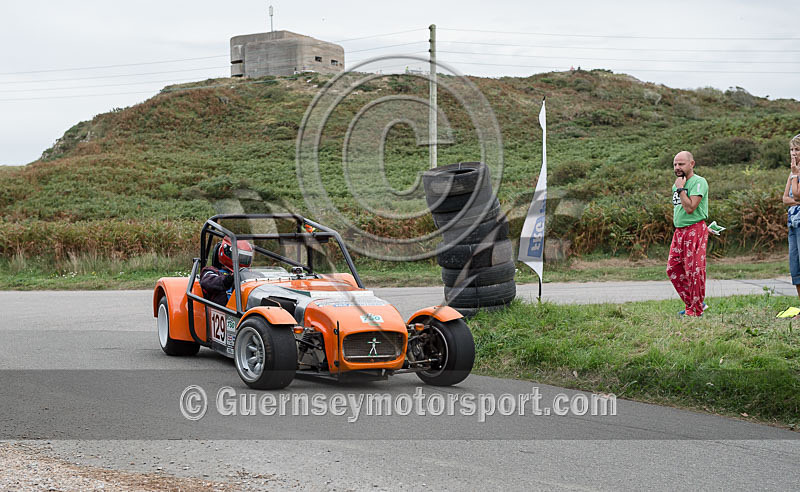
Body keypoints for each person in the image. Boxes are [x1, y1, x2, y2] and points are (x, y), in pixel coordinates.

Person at [666, 151, 709, 316]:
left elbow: (690, 208)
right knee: (673, 268)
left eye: (681, 164)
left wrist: (681, 190)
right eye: (675, 164)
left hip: (694, 229)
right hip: (679, 231)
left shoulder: (699, 182)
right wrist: (679, 188)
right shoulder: (677, 185)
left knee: (694, 270)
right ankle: (694, 303)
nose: (677, 167)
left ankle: (695, 309)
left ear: (692, 164)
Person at [200, 237, 254, 306]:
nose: (243, 260)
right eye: (241, 257)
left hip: (244, 311)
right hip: (223, 312)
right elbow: (208, 282)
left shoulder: (247, 275)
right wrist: (228, 280)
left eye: (246, 258)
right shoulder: (210, 272)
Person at [782, 133, 800, 300]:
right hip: (793, 222)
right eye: (791, 150)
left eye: (797, 149)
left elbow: (796, 193)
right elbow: (785, 199)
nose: (793, 153)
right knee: (795, 266)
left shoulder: (795, 172)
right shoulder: (793, 171)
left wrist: (795, 175)